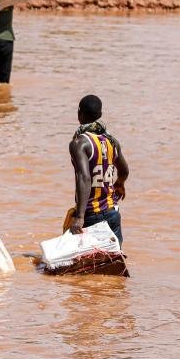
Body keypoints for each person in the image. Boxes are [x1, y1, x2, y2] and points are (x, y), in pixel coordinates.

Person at [66, 95, 129, 246]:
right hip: (112, 213)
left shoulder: (79, 143)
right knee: (112, 264)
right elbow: (124, 171)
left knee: (80, 265)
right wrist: (119, 184)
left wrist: (80, 217)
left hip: (90, 215)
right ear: (100, 115)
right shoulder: (111, 142)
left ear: (79, 114)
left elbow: (84, 177)